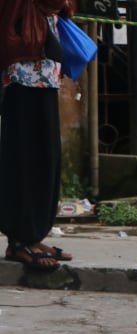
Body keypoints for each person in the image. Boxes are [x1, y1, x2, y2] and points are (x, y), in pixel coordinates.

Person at [0, 0, 75, 271]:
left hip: (43, 70)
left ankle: (31, 237)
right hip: (25, 69)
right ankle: (20, 240)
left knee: (44, 156)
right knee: (28, 155)